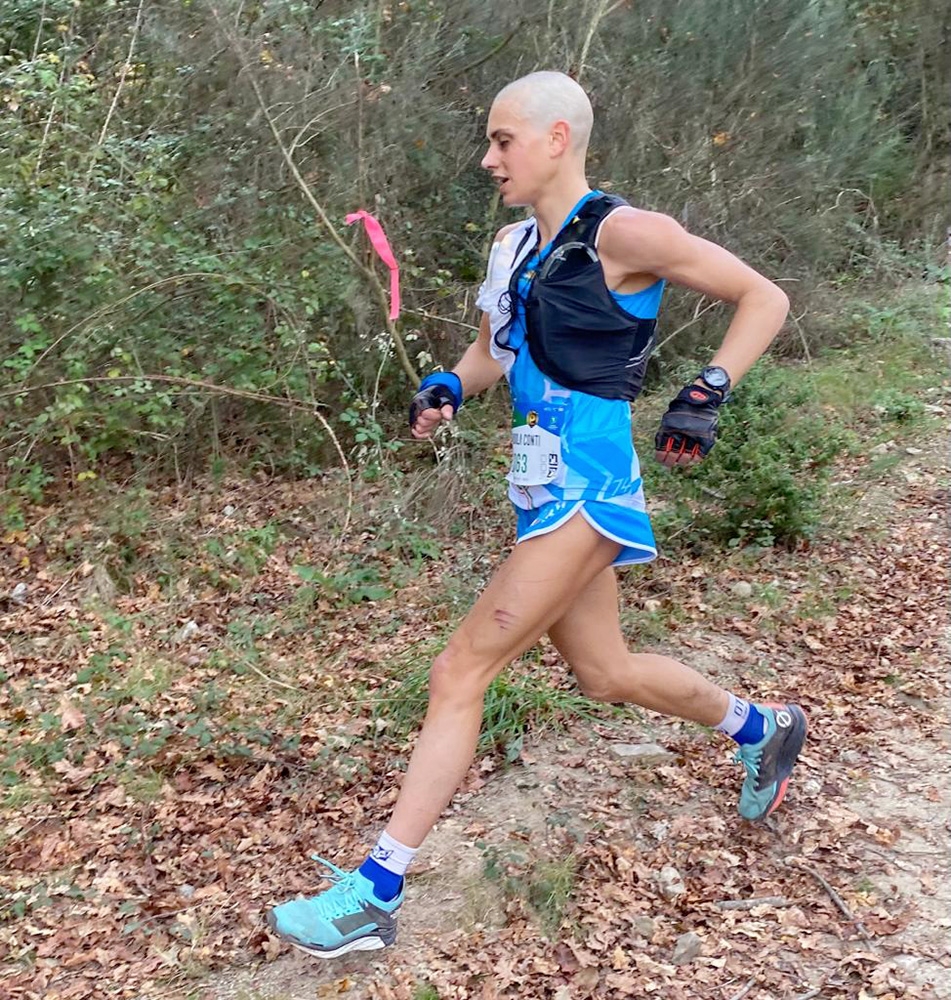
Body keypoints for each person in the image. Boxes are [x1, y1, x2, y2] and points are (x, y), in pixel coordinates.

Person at [268, 71, 807, 959]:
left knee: (459, 671)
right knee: (605, 672)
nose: (488, 158)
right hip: (535, 487)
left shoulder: (626, 232)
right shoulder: (516, 246)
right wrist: (449, 383)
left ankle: (374, 891)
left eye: (502, 140)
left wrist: (707, 389)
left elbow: (764, 297)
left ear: (557, 138)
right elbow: (491, 352)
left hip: (589, 487)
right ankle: (763, 727)